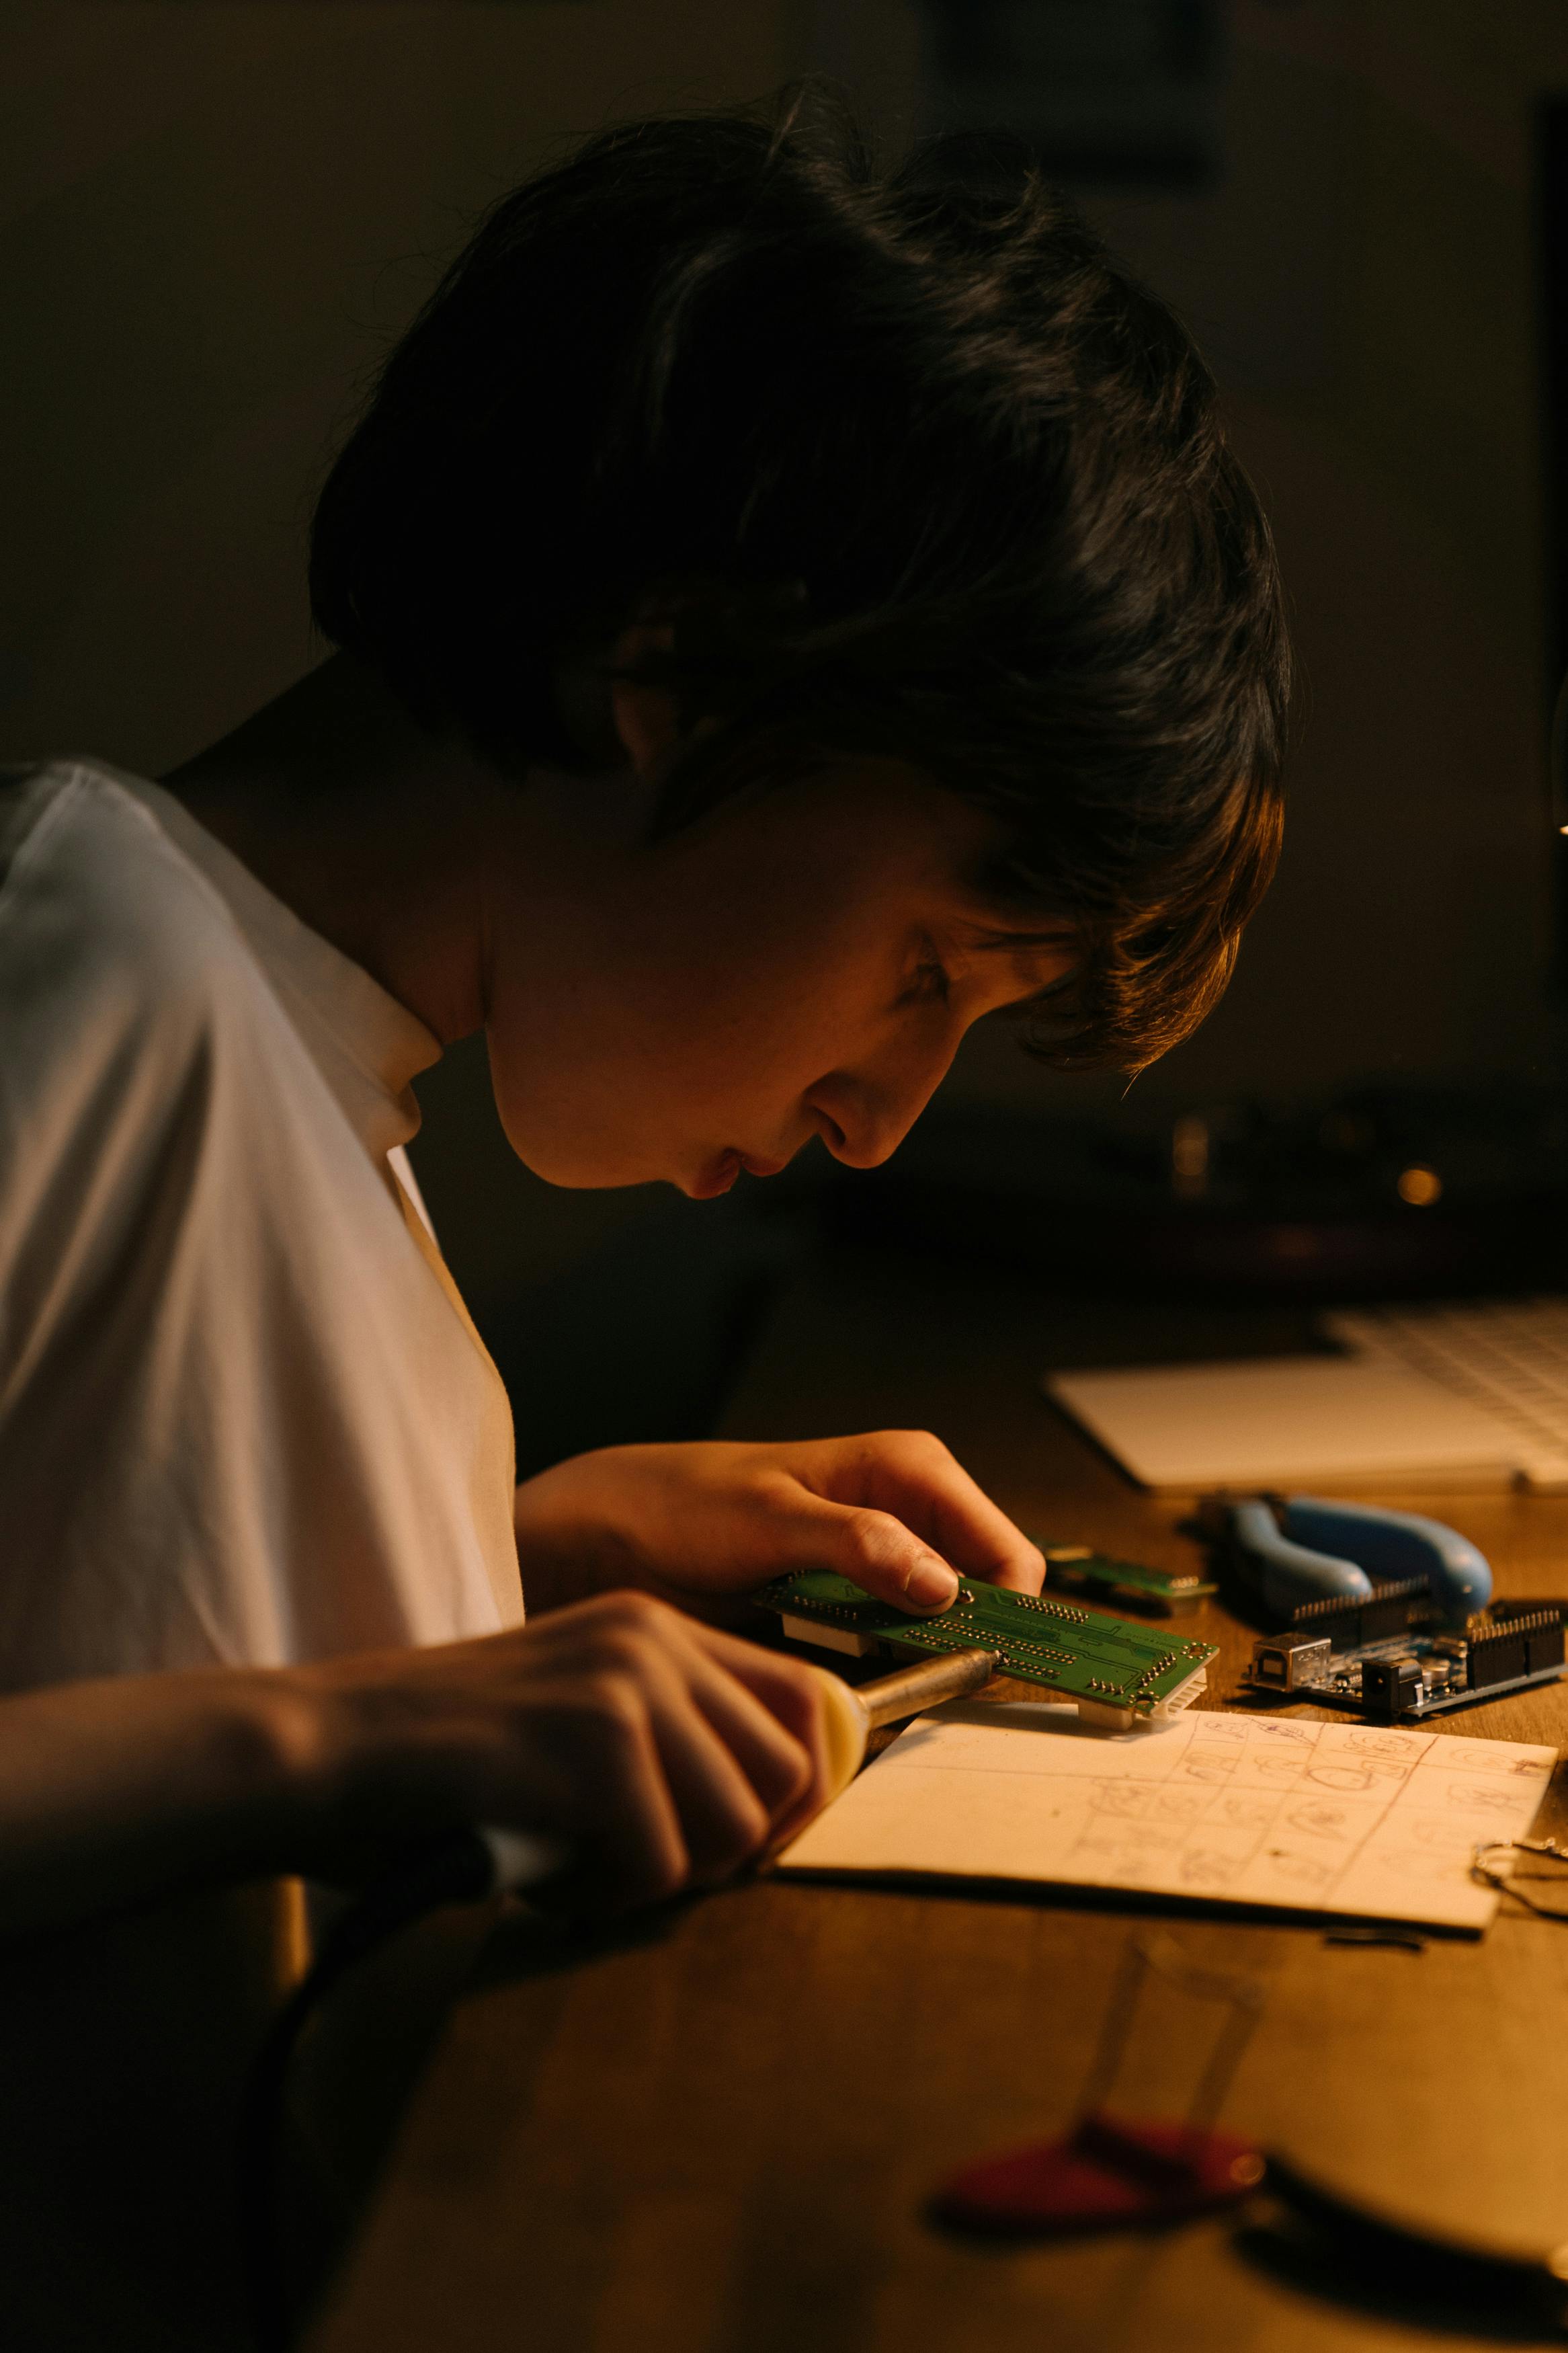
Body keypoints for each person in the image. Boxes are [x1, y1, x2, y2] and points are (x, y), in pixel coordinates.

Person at [0, 95, 1288, 1931]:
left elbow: (104, 1609)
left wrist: (520, 1555)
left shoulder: (300, 1075)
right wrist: (352, 1735)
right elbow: (255, 1729)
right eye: (929, 969)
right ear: (676, 676)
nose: (883, 1116)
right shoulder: (79, 945)